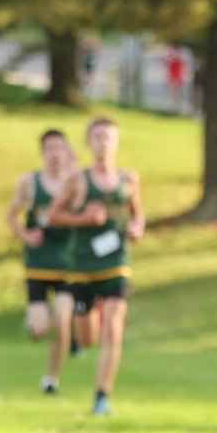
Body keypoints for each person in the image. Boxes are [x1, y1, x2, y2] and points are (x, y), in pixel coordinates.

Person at [53, 116, 146, 417]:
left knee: (114, 329)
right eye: (98, 137)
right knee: (90, 337)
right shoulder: (78, 181)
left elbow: (138, 215)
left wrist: (136, 229)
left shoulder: (128, 180)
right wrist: (84, 220)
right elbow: (54, 216)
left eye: (109, 137)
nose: (104, 143)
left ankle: (102, 397)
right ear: (89, 143)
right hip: (83, 266)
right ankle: (78, 332)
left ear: (117, 143)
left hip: (117, 263)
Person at [4, 128, 81, 393]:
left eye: (60, 148)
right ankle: (41, 324)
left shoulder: (75, 183)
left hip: (68, 263)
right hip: (38, 263)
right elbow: (11, 216)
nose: (55, 155)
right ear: (43, 153)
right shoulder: (29, 182)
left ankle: (51, 378)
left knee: (61, 320)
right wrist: (26, 235)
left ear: (66, 151)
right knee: (39, 331)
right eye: (50, 149)